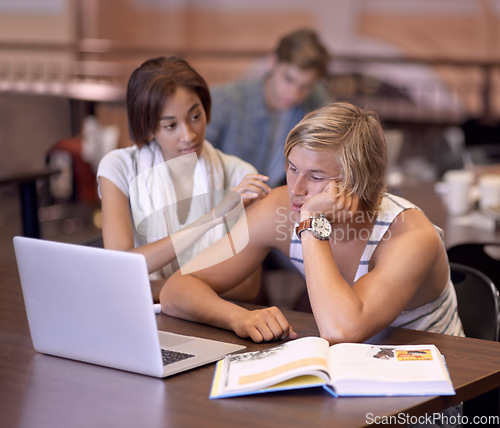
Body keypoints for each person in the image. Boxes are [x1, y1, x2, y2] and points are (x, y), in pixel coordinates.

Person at [160, 101, 464, 345]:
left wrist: (311, 222)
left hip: (434, 389)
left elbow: (341, 330)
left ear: (357, 182)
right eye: (292, 168)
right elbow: (176, 291)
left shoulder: (409, 234)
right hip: (350, 377)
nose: (297, 188)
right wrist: (238, 318)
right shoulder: (280, 209)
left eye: (316, 177)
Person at [97, 56, 271, 302]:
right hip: (145, 315)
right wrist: (211, 217)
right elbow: (120, 267)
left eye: (195, 117)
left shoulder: (240, 175)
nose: (189, 135)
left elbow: (247, 288)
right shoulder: (120, 167)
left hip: (211, 317)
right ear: (148, 129)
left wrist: (157, 289)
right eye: (170, 126)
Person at [205, 28, 332, 188]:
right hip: (229, 198)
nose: (294, 94)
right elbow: (197, 162)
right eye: (288, 79)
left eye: (305, 86)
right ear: (273, 62)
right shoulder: (224, 100)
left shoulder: (315, 100)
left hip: (280, 198)